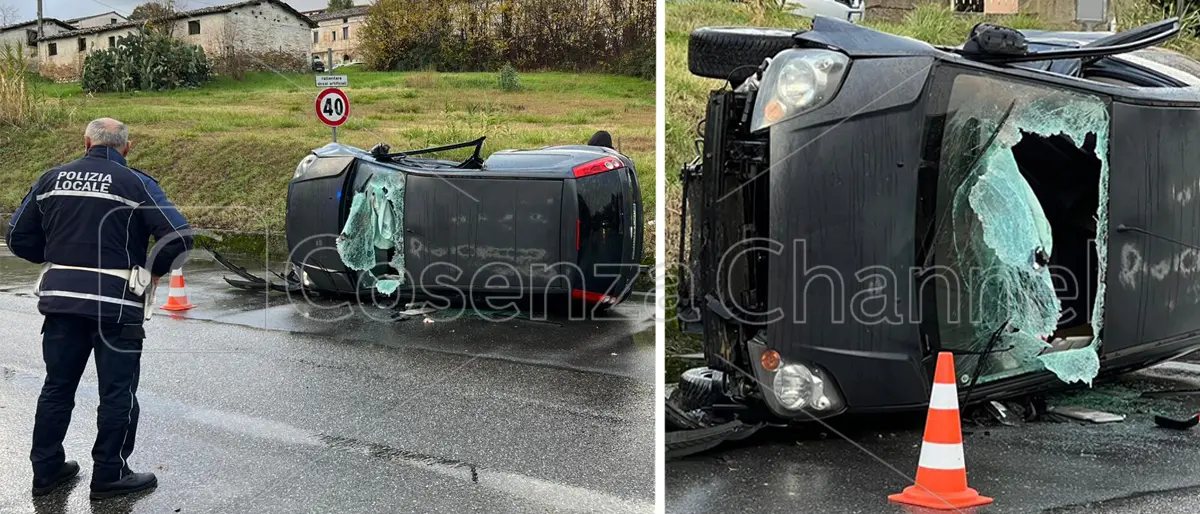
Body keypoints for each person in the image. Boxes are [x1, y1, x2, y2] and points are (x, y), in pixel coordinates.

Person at [5, 118, 193, 499]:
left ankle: (46, 471)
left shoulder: (50, 178)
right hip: (117, 306)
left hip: (61, 304)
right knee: (117, 392)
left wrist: (61, 262)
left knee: (57, 388)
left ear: (86, 141)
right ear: (127, 147)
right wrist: (152, 272)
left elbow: (17, 236)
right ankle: (110, 474)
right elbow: (179, 237)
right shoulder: (135, 183)